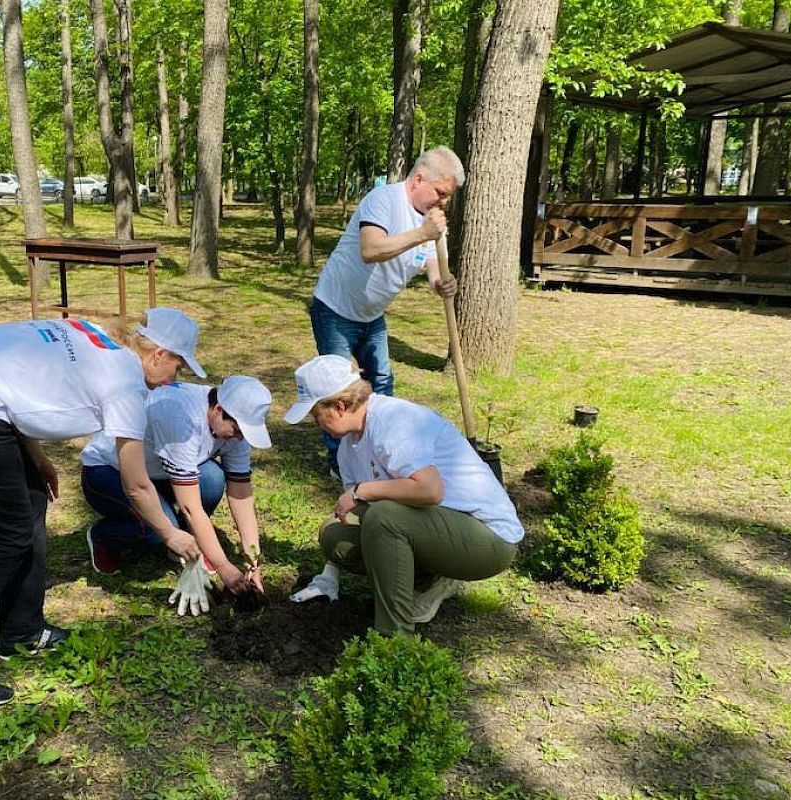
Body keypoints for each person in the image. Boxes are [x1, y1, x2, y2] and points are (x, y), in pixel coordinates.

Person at [0, 308, 206, 707]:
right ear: (158, 355)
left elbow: (18, 389)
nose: (175, 380)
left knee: (30, 503)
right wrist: (171, 533)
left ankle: (22, 628)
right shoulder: (124, 385)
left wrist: (36, 458)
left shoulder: (103, 339)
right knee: (5, 537)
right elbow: (136, 485)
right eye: (178, 367)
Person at [284, 355, 523, 636]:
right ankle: (425, 581)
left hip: (488, 540)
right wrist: (329, 576)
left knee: (385, 518)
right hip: (438, 527)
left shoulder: (392, 422)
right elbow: (357, 511)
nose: (316, 424)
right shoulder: (349, 445)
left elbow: (429, 490)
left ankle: (395, 638)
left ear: (338, 406)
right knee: (335, 534)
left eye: (315, 414)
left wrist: (363, 490)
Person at [309, 146, 464, 476]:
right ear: (418, 178)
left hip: (372, 313)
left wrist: (440, 284)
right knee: (339, 389)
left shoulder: (434, 224)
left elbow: (434, 265)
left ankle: (381, 449)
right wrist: (422, 232)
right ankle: (340, 460)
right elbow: (371, 249)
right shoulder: (383, 201)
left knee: (381, 382)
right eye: (440, 192)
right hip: (334, 308)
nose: (443, 201)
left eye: (448, 196)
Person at [79, 376, 272, 603]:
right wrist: (224, 568)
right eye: (237, 429)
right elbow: (190, 507)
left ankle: (183, 541)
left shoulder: (237, 429)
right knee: (157, 529)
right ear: (218, 409)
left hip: (159, 473)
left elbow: (241, 494)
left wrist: (253, 560)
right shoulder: (181, 416)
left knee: (212, 479)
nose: (240, 437)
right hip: (110, 471)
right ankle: (102, 536)